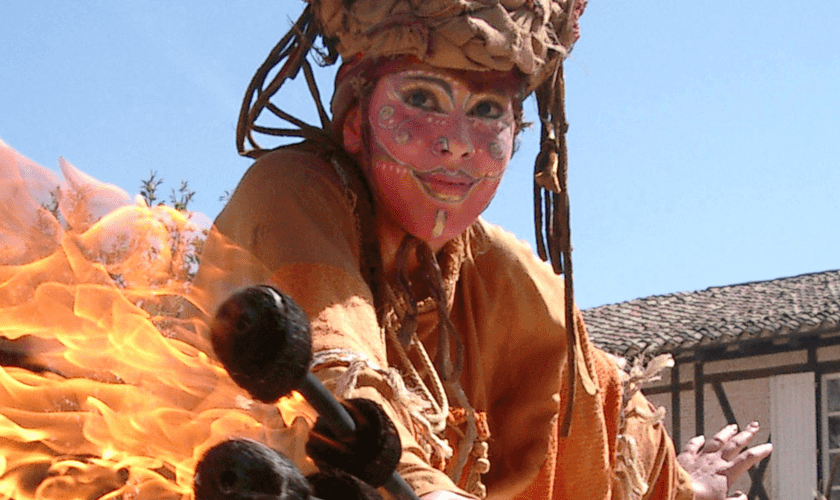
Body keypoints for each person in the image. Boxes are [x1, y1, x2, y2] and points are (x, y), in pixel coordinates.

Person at [212, 1, 771, 499]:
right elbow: (332, 357)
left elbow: (598, 411)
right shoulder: (293, 191)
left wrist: (684, 488)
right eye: (423, 98)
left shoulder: (502, 274)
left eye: (486, 112)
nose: (457, 140)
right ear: (355, 119)